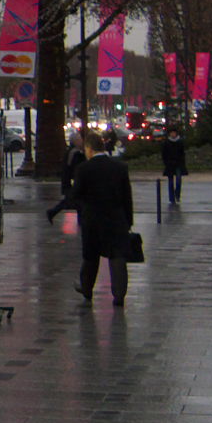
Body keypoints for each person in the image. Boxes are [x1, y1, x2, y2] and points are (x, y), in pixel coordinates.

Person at [66, 130, 134, 306]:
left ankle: (87, 288)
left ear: (89, 148)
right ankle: (119, 294)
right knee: (117, 256)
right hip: (116, 218)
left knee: (91, 256)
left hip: (93, 219)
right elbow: (127, 196)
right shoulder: (119, 167)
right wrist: (128, 220)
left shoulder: (84, 169)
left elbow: (75, 195)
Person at [160, 127, 188, 205]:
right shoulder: (166, 143)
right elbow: (164, 154)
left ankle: (177, 195)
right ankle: (172, 198)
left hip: (178, 164)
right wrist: (166, 162)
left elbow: (182, 153)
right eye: (171, 133)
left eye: (174, 133)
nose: (173, 134)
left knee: (178, 180)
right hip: (169, 164)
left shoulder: (180, 142)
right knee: (171, 182)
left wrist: (182, 163)